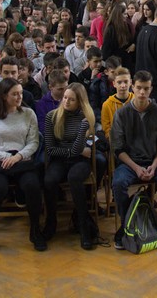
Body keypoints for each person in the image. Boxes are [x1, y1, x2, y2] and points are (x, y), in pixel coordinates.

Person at [110, 70, 157, 250]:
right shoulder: (121, 114)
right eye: (139, 88)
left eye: (146, 88)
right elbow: (118, 150)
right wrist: (136, 168)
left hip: (153, 163)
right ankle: (126, 223)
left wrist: (153, 166)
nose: (142, 92)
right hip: (129, 164)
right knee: (118, 183)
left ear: (151, 89)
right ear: (132, 87)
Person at [0, 78, 44, 256]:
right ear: (4, 96)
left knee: (32, 185)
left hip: (21, 160)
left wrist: (18, 156)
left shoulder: (28, 114)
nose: (19, 97)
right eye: (15, 94)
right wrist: (7, 157)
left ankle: (35, 229)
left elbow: (34, 142)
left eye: (20, 93)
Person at [43, 83, 97, 249]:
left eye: (71, 99)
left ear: (80, 102)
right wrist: (74, 150)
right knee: (49, 180)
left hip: (80, 162)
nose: (66, 101)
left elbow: (82, 148)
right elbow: (51, 149)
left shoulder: (86, 118)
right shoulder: (52, 116)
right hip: (60, 159)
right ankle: (51, 222)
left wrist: (81, 135)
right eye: (65, 97)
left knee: (74, 178)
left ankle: (83, 225)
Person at [101, 67, 135, 138]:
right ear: (114, 84)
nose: (123, 86)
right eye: (119, 82)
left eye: (126, 82)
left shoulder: (137, 101)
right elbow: (106, 130)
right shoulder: (107, 105)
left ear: (130, 82)